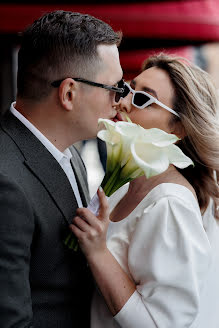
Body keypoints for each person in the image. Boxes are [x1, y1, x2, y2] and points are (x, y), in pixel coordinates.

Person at [70, 54, 219, 328]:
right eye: (128, 89)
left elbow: (160, 323)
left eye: (142, 100)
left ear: (180, 128)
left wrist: (99, 252)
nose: (123, 101)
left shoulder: (170, 204)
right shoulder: (125, 188)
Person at [0, 10, 123, 328]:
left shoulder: (71, 155)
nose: (119, 102)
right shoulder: (5, 183)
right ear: (69, 93)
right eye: (114, 88)